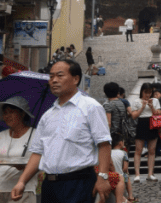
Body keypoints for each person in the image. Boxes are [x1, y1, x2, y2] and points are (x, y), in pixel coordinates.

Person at [12, 60, 113, 203]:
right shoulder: (47, 115)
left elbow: (104, 144)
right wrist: (22, 181)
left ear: (76, 79)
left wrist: (103, 177)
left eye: (60, 76)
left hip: (79, 183)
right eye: (51, 76)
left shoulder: (91, 107)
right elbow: (38, 152)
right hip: (50, 185)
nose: (54, 80)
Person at [0, 97, 38, 203]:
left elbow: (41, 161)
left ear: (22, 114)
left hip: (23, 191)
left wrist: (25, 167)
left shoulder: (35, 135)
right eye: (5, 113)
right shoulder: (1, 136)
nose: (7, 116)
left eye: (11, 112)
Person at [129, 83, 161, 182]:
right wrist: (142, 107)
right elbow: (134, 116)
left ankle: (150, 174)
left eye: (149, 92)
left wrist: (151, 106)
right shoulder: (136, 101)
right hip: (141, 123)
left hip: (152, 123)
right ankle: (137, 175)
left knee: (152, 151)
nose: (148, 95)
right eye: (146, 92)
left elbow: (157, 113)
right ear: (142, 92)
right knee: (138, 150)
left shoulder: (155, 100)